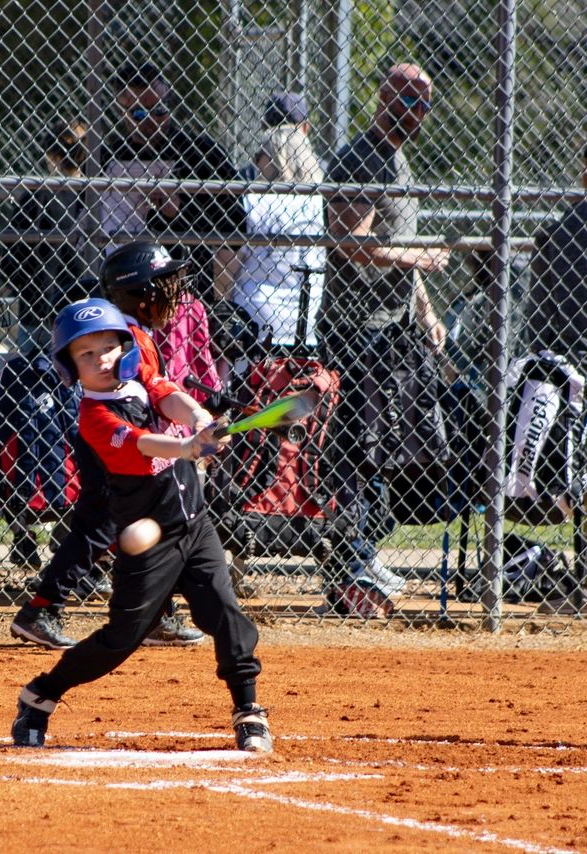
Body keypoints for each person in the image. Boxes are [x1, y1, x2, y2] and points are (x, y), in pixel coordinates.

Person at [10, 298, 270, 753]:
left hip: (195, 526)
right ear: (71, 367)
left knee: (226, 615)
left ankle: (248, 711)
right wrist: (189, 447)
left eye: (108, 347)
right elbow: (143, 444)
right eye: (86, 354)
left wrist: (200, 419)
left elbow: (167, 393)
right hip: (151, 542)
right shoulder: (93, 418)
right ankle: (40, 695)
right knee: (120, 640)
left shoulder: (139, 380)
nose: (101, 359)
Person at [9, 244, 207, 650]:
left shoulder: (136, 332)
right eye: (163, 285)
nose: (173, 293)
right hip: (111, 442)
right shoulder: (126, 334)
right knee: (100, 524)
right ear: (139, 292)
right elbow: (142, 398)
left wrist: (198, 413)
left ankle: (154, 613)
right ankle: (40, 610)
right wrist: (184, 437)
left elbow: (155, 391)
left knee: (145, 522)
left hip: (126, 440)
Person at [319, 63, 451, 605]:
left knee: (391, 449)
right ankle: (349, 561)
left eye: (422, 102)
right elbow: (350, 241)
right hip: (355, 328)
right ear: (381, 97)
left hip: (393, 326)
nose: (413, 110)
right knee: (354, 449)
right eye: (405, 96)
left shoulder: (399, 160)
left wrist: (427, 313)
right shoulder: (360, 157)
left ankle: (364, 552)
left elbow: (400, 246)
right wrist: (417, 256)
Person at [98, 62, 245, 302]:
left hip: (185, 287)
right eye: (138, 113)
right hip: (119, 287)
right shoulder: (106, 158)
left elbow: (236, 224)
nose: (152, 120)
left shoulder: (202, 153)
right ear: (121, 110)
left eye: (160, 109)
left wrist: (179, 211)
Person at [219, 95, 326, 347]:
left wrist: (220, 307)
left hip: (253, 317)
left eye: (261, 153)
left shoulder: (250, 201)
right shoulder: (321, 202)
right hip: (306, 318)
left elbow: (225, 268)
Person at [2, 119, 91, 351]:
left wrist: (17, 286)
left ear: (51, 156)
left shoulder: (35, 196)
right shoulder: (95, 197)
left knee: (31, 374)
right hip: (84, 311)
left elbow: (10, 258)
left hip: (36, 308)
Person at [522, 142, 587, 357]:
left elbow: (539, 323)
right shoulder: (561, 232)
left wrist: (541, 349)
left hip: (572, 360)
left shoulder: (560, 231)